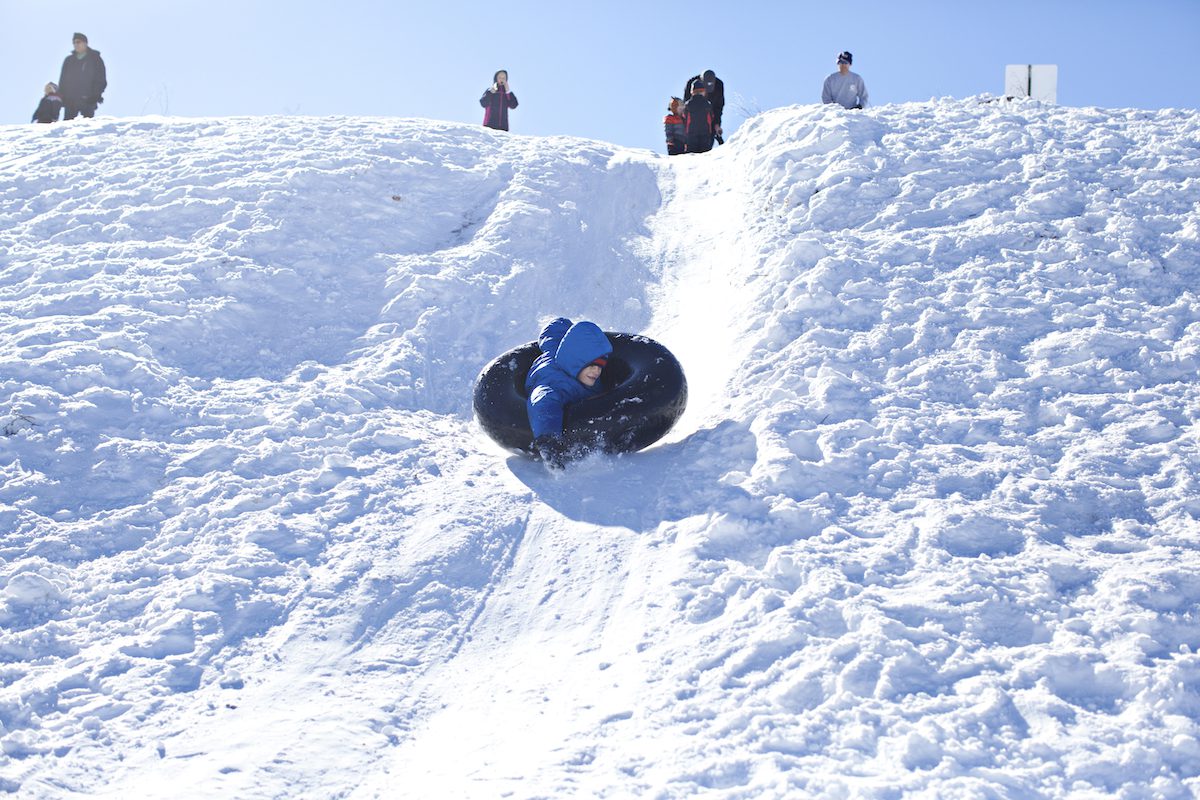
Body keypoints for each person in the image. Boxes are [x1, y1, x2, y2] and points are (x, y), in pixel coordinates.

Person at [525, 317, 613, 466]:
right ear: (578, 361)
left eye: (601, 365)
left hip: (562, 356)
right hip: (548, 374)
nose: (597, 371)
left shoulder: (583, 370)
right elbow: (543, 402)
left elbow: (556, 337)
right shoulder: (558, 385)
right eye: (591, 365)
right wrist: (549, 443)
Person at [58, 32, 107, 120]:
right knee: (67, 126)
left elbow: (101, 78)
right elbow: (62, 80)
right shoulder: (69, 60)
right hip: (70, 100)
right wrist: (62, 96)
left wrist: (96, 95)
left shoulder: (95, 58)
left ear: (85, 43)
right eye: (74, 42)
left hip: (88, 98)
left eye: (78, 42)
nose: (76, 44)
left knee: (87, 127)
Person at [683, 69, 725, 145]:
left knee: (708, 142)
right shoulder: (691, 84)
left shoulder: (719, 85)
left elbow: (718, 108)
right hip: (694, 117)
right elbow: (686, 108)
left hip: (710, 116)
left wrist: (717, 124)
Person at [682, 79, 714, 154]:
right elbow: (711, 117)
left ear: (692, 92)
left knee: (691, 154)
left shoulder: (688, 104)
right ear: (703, 91)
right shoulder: (707, 104)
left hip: (691, 134)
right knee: (704, 154)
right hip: (705, 133)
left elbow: (684, 117)